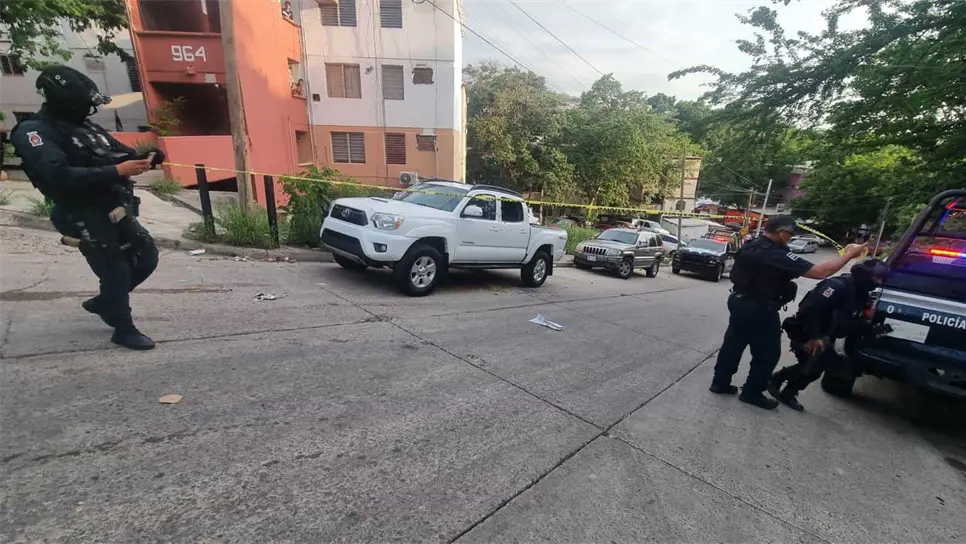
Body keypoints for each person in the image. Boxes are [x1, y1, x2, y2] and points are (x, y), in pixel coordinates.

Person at [10, 65, 163, 350]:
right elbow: (58, 175)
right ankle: (123, 328)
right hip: (77, 211)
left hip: (111, 206)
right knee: (114, 265)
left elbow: (121, 153)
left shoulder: (86, 128)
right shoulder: (34, 131)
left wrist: (147, 158)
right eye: (84, 104)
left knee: (147, 256)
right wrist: (118, 171)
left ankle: (107, 301)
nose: (90, 110)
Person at [710, 215, 868, 410]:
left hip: (738, 301)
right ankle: (752, 392)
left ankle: (720, 383)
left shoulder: (751, 245)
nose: (790, 239)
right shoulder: (774, 254)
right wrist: (849, 255)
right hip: (761, 308)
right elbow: (820, 272)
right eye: (790, 235)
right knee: (768, 353)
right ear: (782, 232)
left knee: (733, 343)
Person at [769, 258, 890, 411]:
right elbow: (810, 309)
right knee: (814, 365)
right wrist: (814, 336)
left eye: (881, 279)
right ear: (864, 274)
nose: (878, 282)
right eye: (876, 277)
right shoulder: (837, 285)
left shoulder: (861, 295)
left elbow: (850, 321)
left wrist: (871, 329)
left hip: (826, 335)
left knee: (819, 367)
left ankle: (789, 391)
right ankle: (777, 378)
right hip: (806, 330)